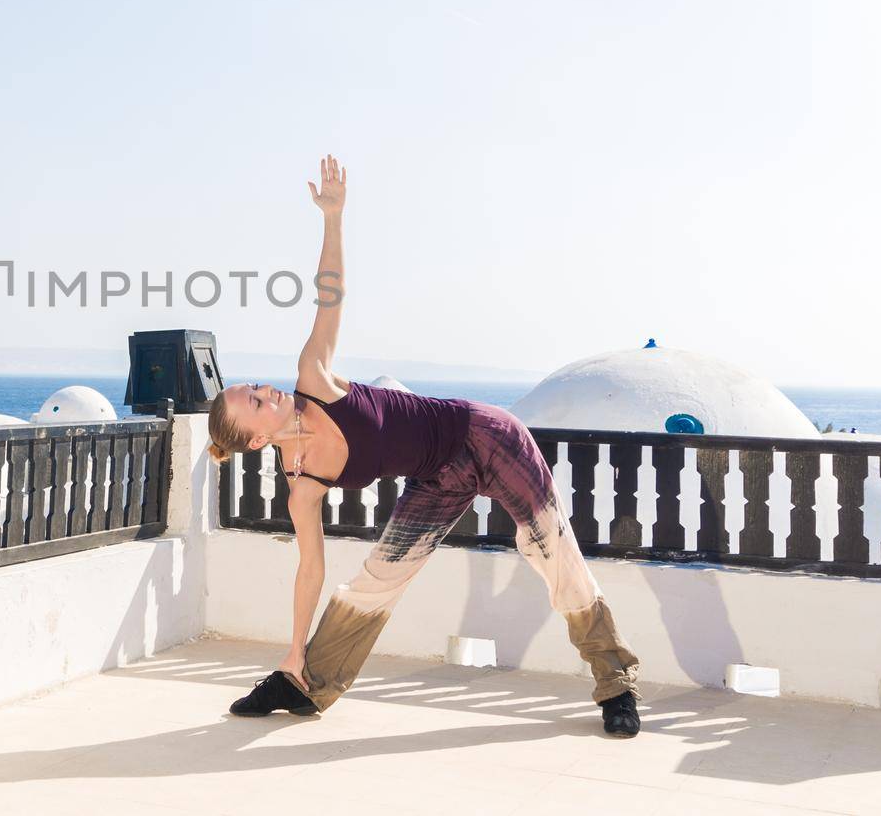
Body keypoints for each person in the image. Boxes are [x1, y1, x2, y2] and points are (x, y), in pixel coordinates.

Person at [205, 155, 642, 737]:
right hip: (438, 477)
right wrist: (291, 648)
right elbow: (309, 571)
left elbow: (328, 296)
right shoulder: (302, 484)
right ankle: (301, 680)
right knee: (377, 577)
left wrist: (333, 218)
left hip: (485, 434)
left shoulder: (314, 377)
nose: (265, 392)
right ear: (256, 438)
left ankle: (616, 684)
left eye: (254, 387)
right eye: (254, 403)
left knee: (548, 548)